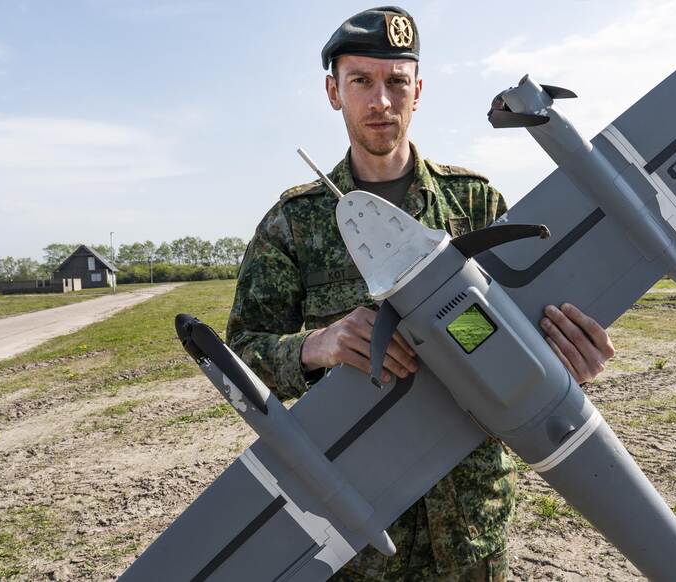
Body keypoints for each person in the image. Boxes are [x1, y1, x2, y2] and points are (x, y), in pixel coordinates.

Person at [226, 6, 615, 581]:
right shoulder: (293, 223)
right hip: (359, 537)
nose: (381, 101)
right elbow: (240, 356)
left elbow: (531, 329)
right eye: (361, 81)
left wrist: (571, 356)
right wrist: (319, 346)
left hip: (468, 530)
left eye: (396, 81)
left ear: (419, 90)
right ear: (333, 92)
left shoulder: (475, 206)